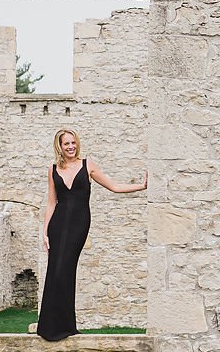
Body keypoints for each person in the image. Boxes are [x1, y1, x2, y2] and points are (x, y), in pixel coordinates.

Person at [38, 128, 147, 341]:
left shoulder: (88, 165)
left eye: (73, 142)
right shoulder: (52, 170)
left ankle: (66, 326)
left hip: (79, 224)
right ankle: (49, 327)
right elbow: (52, 202)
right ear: (59, 147)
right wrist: (45, 231)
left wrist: (141, 186)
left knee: (66, 269)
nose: (70, 147)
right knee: (55, 270)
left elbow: (114, 186)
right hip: (58, 224)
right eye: (66, 144)